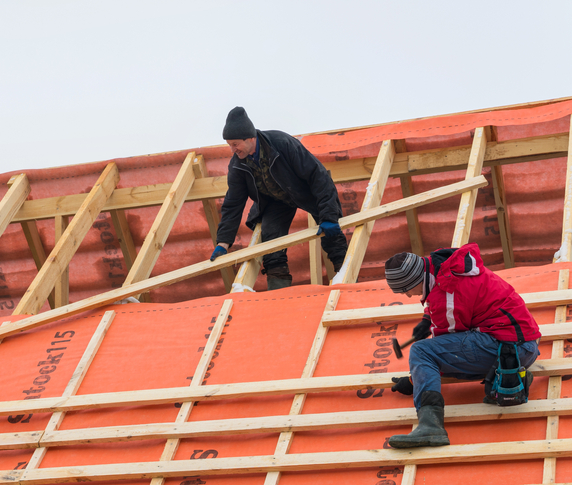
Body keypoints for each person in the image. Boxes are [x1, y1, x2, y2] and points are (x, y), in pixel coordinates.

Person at [383, 244, 541, 448]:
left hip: (511, 348)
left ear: (416, 280)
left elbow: (442, 351)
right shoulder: (446, 270)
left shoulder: (446, 292)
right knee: (431, 353)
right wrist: (426, 320)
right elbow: (451, 307)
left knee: (421, 350)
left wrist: (416, 380)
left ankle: (431, 426)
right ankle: (503, 380)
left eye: (405, 290)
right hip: (522, 344)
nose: (407, 296)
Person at [210, 106, 349, 290]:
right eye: (229, 145)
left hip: (306, 191)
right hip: (275, 201)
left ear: (250, 137)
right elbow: (233, 204)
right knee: (271, 244)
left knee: (332, 235)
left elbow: (318, 177)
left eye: (235, 144)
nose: (232, 149)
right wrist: (223, 243)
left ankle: (346, 281)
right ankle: (279, 295)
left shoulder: (282, 143)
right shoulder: (238, 166)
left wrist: (329, 216)